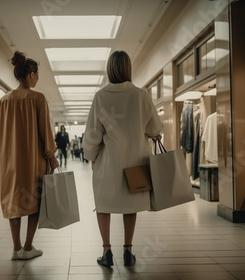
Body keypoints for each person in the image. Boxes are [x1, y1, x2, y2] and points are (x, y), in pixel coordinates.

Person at [82, 50, 163, 267]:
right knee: (130, 205)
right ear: (128, 68)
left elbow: (92, 133)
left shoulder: (101, 96)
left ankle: (106, 251)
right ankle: (128, 251)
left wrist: (90, 156)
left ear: (109, 69)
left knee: (103, 204)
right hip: (135, 163)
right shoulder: (141, 95)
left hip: (108, 163)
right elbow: (155, 128)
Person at [0, 51, 59, 261]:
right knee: (34, 201)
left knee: (14, 202)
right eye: (37, 74)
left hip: (10, 161)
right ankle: (28, 247)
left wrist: (3, 155)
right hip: (33, 161)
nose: (37, 78)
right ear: (31, 74)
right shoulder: (38, 98)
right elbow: (45, 132)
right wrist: (51, 157)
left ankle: (16, 248)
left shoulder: (5, 101)